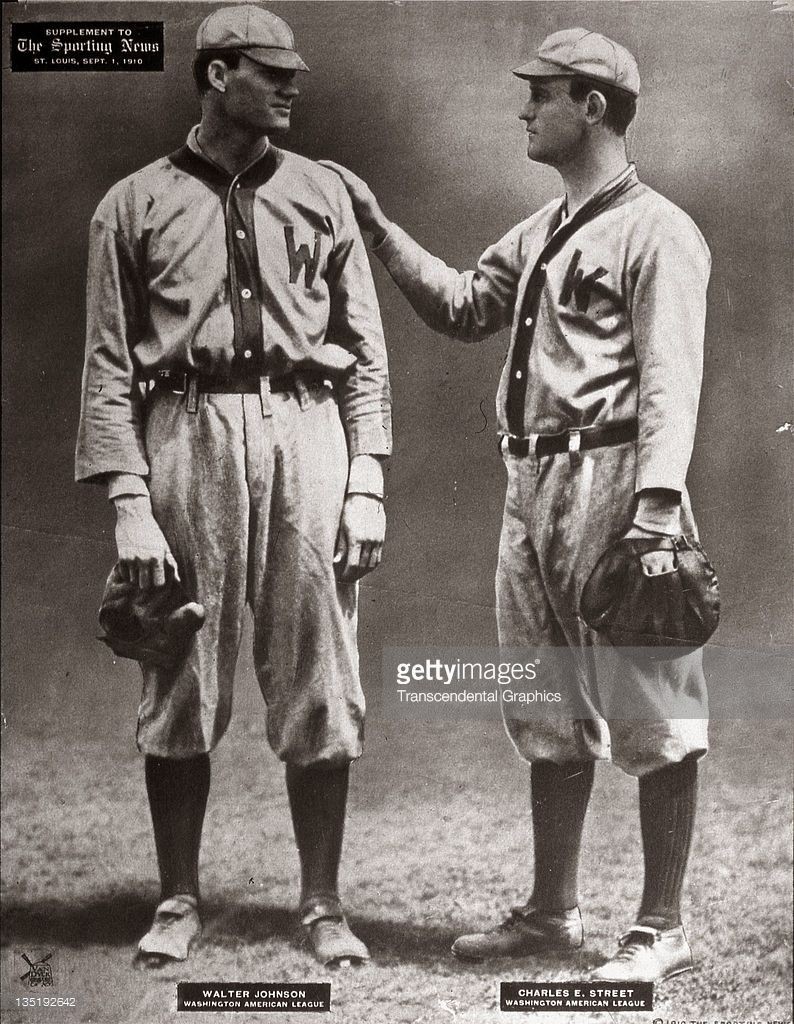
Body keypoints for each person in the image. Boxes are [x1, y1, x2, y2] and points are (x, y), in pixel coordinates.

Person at [323, 28, 711, 984]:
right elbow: (462, 306)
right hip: (530, 484)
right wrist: (375, 225)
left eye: (542, 94)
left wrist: (658, 513)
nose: (525, 109)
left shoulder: (658, 228)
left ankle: (662, 926)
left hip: (618, 481)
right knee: (545, 704)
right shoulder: (544, 228)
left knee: (653, 705)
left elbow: (672, 380)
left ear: (593, 106)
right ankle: (552, 914)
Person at [75, 5, 391, 970]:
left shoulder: (323, 192)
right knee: (179, 663)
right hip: (187, 426)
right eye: (270, 71)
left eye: (293, 72)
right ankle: (177, 899)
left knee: (322, 671)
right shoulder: (132, 203)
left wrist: (368, 476)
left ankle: (323, 906)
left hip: (307, 426)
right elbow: (106, 366)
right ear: (217, 75)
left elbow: (365, 350)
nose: (292, 86)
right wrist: (129, 501)